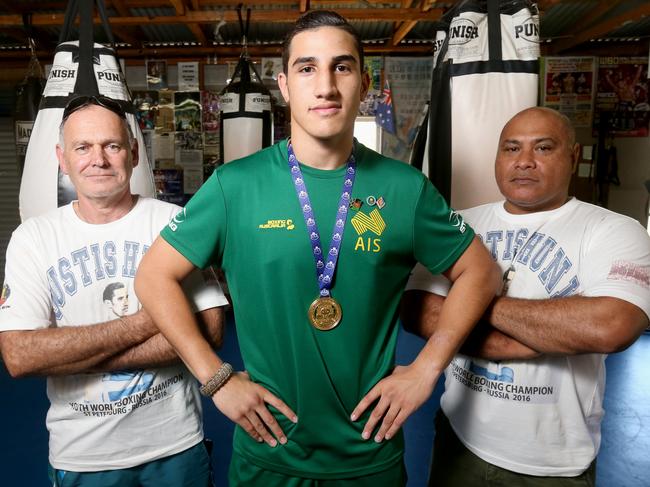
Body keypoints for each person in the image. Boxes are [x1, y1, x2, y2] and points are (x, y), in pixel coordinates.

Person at [134, 10, 500, 487]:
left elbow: (482, 273)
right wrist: (215, 377)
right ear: (284, 85)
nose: (325, 86)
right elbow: (152, 276)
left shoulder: (405, 189)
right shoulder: (234, 187)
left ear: (363, 82)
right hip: (269, 454)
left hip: (370, 455)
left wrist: (427, 367)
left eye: (341, 67)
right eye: (307, 68)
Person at [402, 106, 650, 486]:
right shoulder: (461, 224)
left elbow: (611, 326)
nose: (525, 162)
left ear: (573, 155)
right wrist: (548, 334)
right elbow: (418, 309)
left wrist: (471, 301)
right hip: (459, 437)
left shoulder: (614, 230)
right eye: (512, 148)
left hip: (552, 463)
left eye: (544, 148)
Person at [0, 95, 229, 486]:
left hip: (175, 445)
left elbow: (210, 331)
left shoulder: (173, 222)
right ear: (61, 158)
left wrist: (74, 355)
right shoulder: (33, 238)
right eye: (82, 147)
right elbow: (20, 356)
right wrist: (152, 320)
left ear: (134, 153)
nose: (99, 159)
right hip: (83, 455)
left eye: (112, 145)